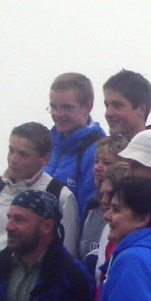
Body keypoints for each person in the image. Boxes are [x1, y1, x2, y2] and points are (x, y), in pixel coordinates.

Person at [0, 122, 79, 280]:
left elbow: (68, 255)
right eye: (11, 150)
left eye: (23, 154)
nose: (13, 159)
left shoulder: (60, 196)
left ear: (45, 159)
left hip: (35, 286)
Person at [46, 72, 105, 219]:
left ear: (88, 108)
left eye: (66, 107)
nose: (58, 114)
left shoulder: (97, 152)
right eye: (53, 107)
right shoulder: (47, 143)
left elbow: (88, 211)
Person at [77, 135, 128, 279]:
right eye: (96, 161)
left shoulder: (128, 215)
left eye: (106, 162)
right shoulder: (92, 204)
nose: (98, 167)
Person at [103, 69, 151, 141]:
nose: (108, 113)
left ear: (141, 109)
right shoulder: (100, 147)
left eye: (117, 106)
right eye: (107, 106)